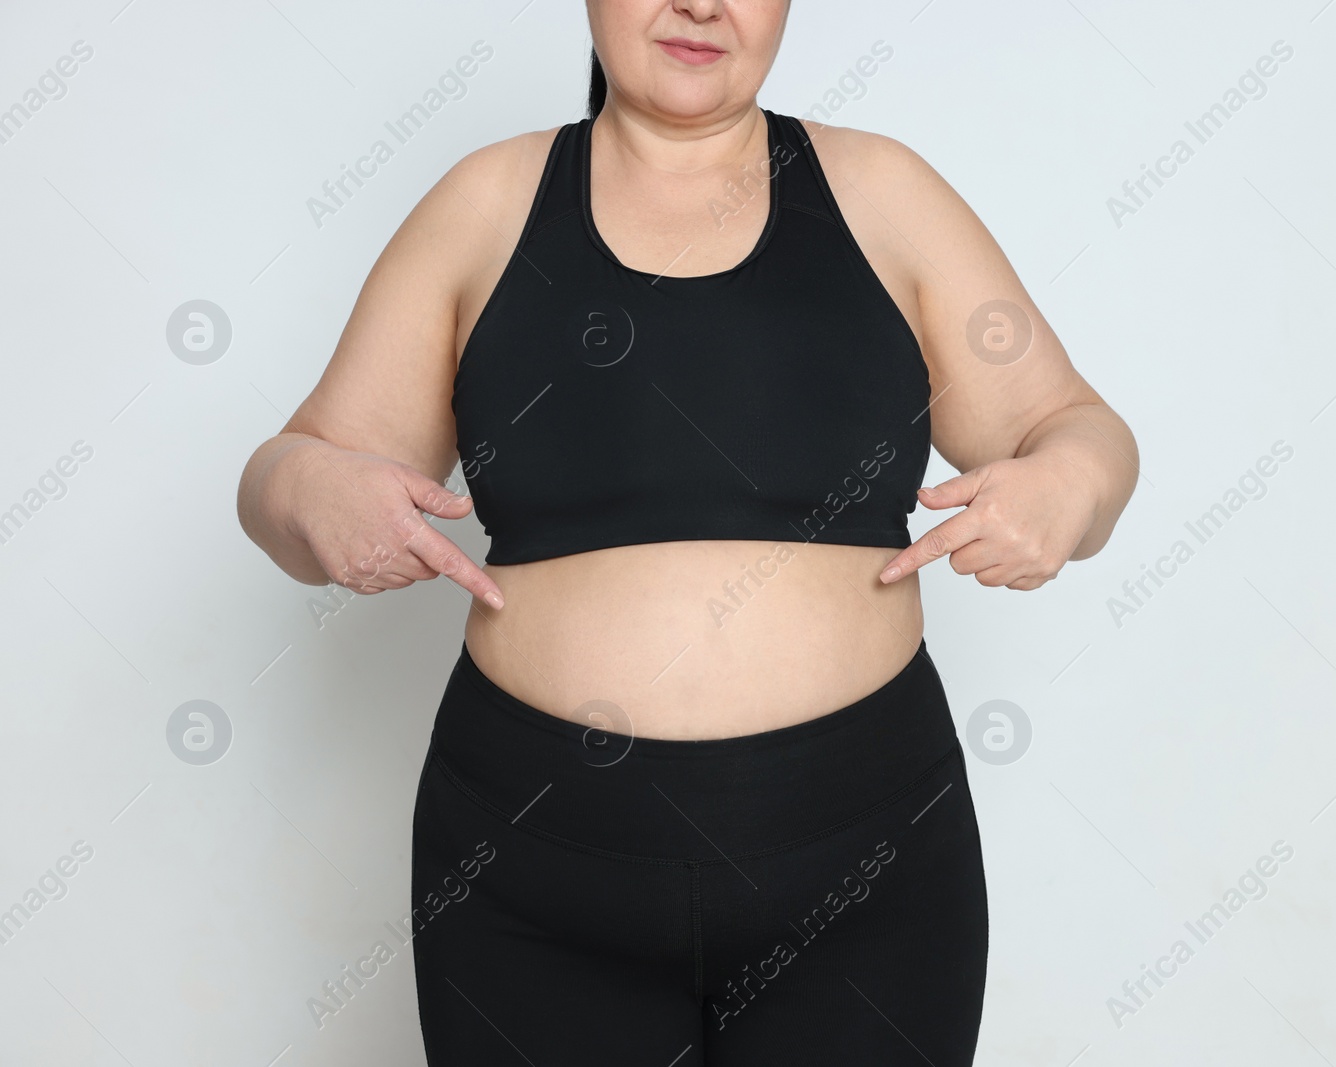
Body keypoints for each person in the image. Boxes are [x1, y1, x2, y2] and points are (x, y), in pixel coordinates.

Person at [236, 1, 1137, 1062]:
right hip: (533, 874)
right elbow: (286, 473)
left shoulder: (884, 193)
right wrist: (313, 492)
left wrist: (1068, 487)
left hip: (865, 867)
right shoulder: (486, 201)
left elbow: (1076, 427)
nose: (702, 3)